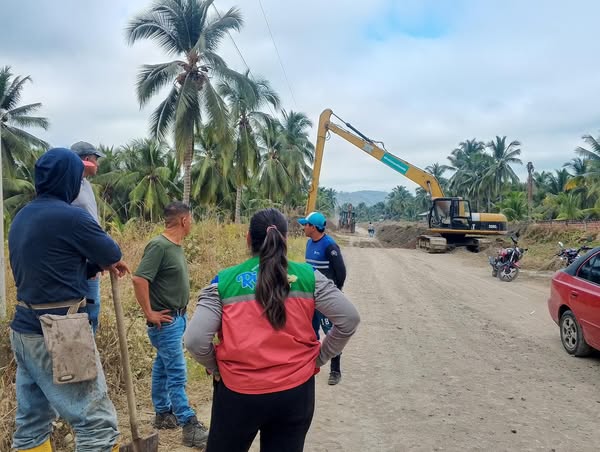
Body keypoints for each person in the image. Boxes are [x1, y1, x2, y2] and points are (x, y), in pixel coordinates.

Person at [184, 208, 360, 452]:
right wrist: (319, 357)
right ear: (285, 240)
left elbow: (194, 340)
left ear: (248, 238)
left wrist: (216, 368)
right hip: (295, 392)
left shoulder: (223, 282)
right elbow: (349, 319)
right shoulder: (309, 277)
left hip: (238, 393)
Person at [8, 148, 129, 452]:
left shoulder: (22, 216)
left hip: (24, 330)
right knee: (97, 426)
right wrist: (104, 262)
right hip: (61, 332)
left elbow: (50, 267)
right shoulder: (71, 217)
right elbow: (111, 252)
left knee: (32, 423)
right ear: (69, 179)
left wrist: (91, 267)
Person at [132, 202, 208, 448]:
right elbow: (139, 279)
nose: (192, 224)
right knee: (176, 371)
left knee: (163, 367)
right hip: (165, 322)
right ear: (184, 220)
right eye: (191, 219)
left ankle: (163, 412)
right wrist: (149, 312)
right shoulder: (159, 246)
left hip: (177, 318)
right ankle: (188, 424)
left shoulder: (175, 246)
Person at [298, 211, 347, 385]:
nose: (303, 227)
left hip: (325, 299)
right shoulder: (309, 243)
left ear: (313, 227)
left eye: (305, 225)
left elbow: (341, 273)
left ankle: (335, 371)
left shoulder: (329, 246)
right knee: (310, 332)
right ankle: (310, 365)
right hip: (310, 298)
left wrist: (334, 293)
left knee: (330, 333)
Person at [71, 140, 105, 334]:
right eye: (95, 159)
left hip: (92, 257)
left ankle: (90, 343)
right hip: (77, 258)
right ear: (86, 159)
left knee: (93, 306)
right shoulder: (69, 185)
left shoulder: (87, 185)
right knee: (79, 308)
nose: (97, 164)